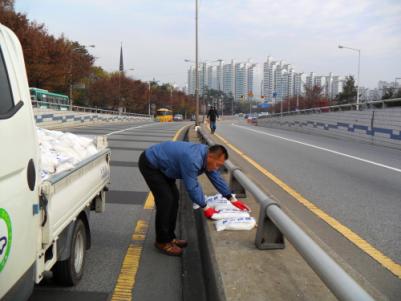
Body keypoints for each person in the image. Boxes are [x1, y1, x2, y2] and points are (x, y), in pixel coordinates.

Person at [138, 141, 249, 256]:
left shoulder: (206, 157)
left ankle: (170, 237)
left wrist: (230, 198)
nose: (217, 168)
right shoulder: (193, 159)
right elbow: (192, 186)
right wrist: (205, 206)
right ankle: (162, 241)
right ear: (210, 156)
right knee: (166, 201)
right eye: (218, 164)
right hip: (151, 164)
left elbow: (216, 177)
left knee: (174, 198)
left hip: (166, 166)